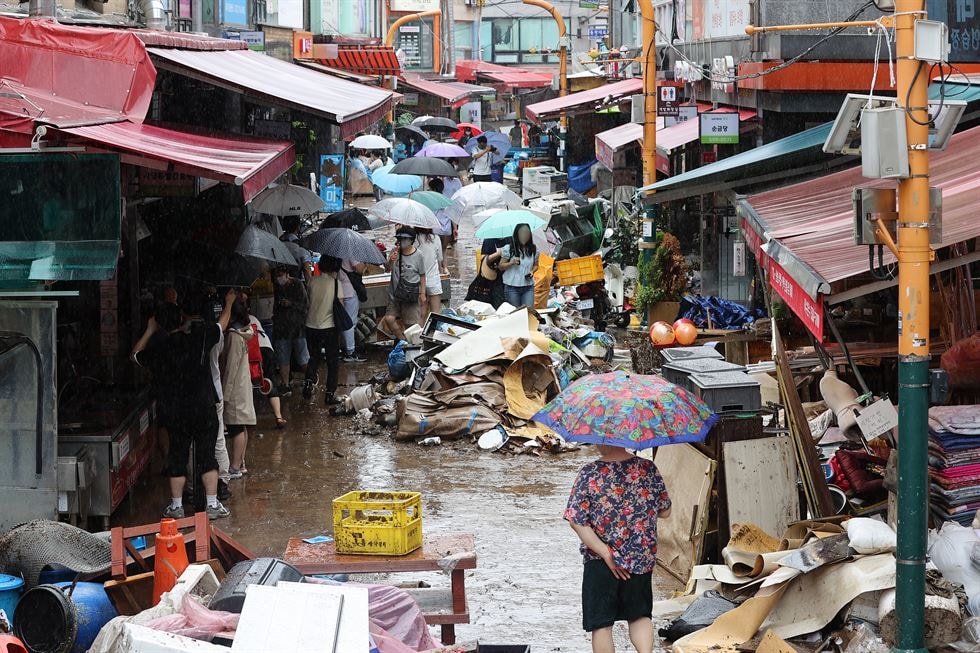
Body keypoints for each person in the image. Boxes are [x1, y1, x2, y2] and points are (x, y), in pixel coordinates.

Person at [131, 288, 236, 520]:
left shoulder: (159, 348)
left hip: (176, 411)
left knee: (177, 456)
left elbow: (136, 355)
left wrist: (149, 330)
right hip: (204, 406)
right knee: (208, 454)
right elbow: (222, 325)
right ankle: (211, 504)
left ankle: (177, 506)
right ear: (181, 319)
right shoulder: (200, 338)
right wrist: (229, 303)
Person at [565, 445, 672, 653]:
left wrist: (606, 553)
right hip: (640, 558)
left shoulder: (589, 472)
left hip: (599, 561)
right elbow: (665, 511)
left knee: (602, 623)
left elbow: (576, 521)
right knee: (640, 615)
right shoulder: (648, 468)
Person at [220, 299, 256, 480]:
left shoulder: (234, 337)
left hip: (235, 388)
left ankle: (235, 465)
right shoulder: (243, 333)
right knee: (241, 425)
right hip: (242, 386)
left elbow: (230, 368)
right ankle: (240, 463)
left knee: (235, 428)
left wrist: (224, 394)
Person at [303, 255, 345, 405]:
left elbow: (309, 301)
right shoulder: (336, 284)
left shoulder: (312, 281)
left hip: (311, 326)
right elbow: (341, 306)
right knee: (332, 362)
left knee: (314, 357)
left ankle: (308, 383)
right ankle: (329, 394)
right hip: (329, 327)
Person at [379, 227, 429, 342]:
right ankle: (402, 340)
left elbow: (422, 275)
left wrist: (423, 294)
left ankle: (412, 345)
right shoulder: (394, 251)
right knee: (389, 319)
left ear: (411, 240)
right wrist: (391, 261)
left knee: (410, 324)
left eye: (404, 239)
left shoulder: (418, 255)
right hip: (394, 294)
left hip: (410, 295)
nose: (400, 242)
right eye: (399, 239)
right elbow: (387, 269)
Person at [272, 265, 309, 395]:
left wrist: (290, 303)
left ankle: (310, 378)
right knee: (283, 359)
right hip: (281, 328)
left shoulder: (298, 285)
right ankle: (285, 384)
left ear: (287, 274)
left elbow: (304, 305)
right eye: (277, 275)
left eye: (280, 274)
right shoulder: (277, 287)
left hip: (297, 327)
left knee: (302, 357)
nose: (279, 278)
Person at [498, 223, 539, 308]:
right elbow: (501, 266)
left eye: (526, 233)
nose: (524, 235)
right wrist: (511, 263)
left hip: (528, 287)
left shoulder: (533, 249)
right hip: (512, 288)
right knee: (516, 314)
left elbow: (536, 265)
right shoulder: (509, 249)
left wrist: (532, 271)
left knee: (529, 311)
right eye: (522, 233)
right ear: (517, 234)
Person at [340, 258, 368, 363]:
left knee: (344, 322)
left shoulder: (335, 251)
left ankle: (345, 348)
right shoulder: (350, 251)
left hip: (339, 289)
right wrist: (364, 262)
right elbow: (359, 269)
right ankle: (350, 352)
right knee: (350, 323)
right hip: (349, 291)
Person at [414, 226, 445, 316]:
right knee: (435, 315)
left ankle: (421, 330)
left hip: (418, 281)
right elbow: (440, 259)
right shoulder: (435, 238)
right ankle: (433, 330)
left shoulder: (413, 240)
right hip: (433, 280)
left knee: (421, 316)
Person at [280, 216, 313, 282]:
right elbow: (306, 270)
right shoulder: (300, 245)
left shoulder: (278, 241)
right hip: (296, 283)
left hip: (280, 283)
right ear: (298, 227)